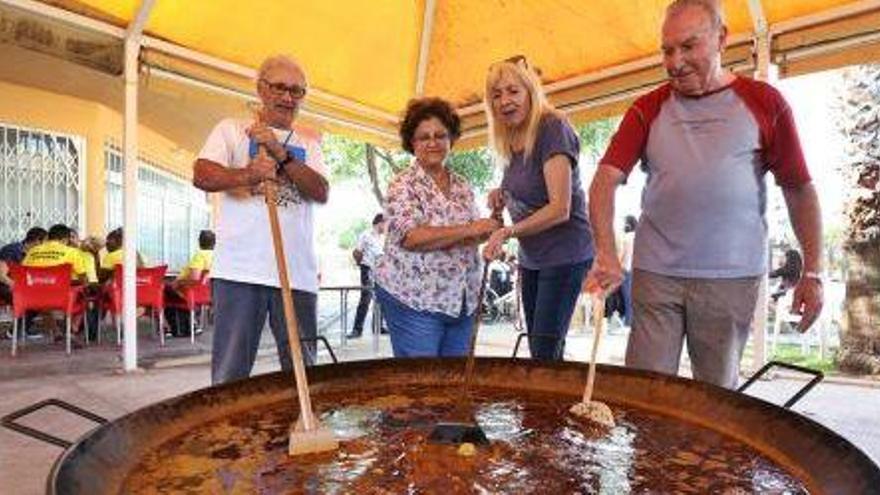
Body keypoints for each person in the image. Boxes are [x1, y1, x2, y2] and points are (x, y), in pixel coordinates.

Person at [585, 0, 823, 389]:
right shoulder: (647, 108)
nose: (675, 62)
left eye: (689, 46)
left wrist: (813, 272)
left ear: (721, 39)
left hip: (730, 276)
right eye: (667, 50)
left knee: (716, 396)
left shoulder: (765, 103)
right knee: (644, 393)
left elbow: (798, 188)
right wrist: (606, 252)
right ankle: (650, 454)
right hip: (656, 272)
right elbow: (604, 181)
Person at [193, 54, 329, 384]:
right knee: (230, 373)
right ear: (261, 89)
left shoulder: (308, 145)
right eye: (280, 87)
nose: (287, 97)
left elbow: (320, 191)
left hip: (296, 275)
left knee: (303, 372)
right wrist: (248, 174)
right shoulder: (231, 130)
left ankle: (303, 428)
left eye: (297, 91)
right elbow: (202, 175)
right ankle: (227, 434)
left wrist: (282, 154)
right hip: (241, 271)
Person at [481, 55, 595, 361]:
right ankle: (551, 407)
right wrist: (501, 193)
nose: (505, 100)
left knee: (544, 352)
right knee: (539, 348)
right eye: (496, 94)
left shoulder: (552, 127)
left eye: (512, 91)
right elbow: (528, 187)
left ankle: (556, 407)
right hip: (533, 256)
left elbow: (560, 208)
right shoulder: (510, 138)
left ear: (530, 91)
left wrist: (507, 232)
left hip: (565, 253)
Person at [373, 97, 500, 358]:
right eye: (424, 137)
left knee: (454, 385)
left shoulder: (462, 185)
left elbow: (472, 235)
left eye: (441, 135)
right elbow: (412, 237)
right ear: (412, 143)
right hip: (415, 301)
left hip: (462, 302)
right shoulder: (402, 185)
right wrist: (471, 228)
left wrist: (495, 221)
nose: (433, 143)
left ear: (451, 139)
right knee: (422, 386)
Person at [347, 214, 386, 339]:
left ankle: (378, 327)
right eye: (385, 224)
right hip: (367, 268)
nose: (386, 227)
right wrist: (361, 264)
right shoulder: (366, 235)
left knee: (380, 299)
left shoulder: (383, 238)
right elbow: (357, 252)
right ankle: (357, 330)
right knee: (366, 298)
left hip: (381, 271)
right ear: (380, 223)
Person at [0, 227, 47, 305]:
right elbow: (2, 276)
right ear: (37, 241)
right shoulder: (12, 250)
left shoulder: (34, 254)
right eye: (45, 243)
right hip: (6, 286)